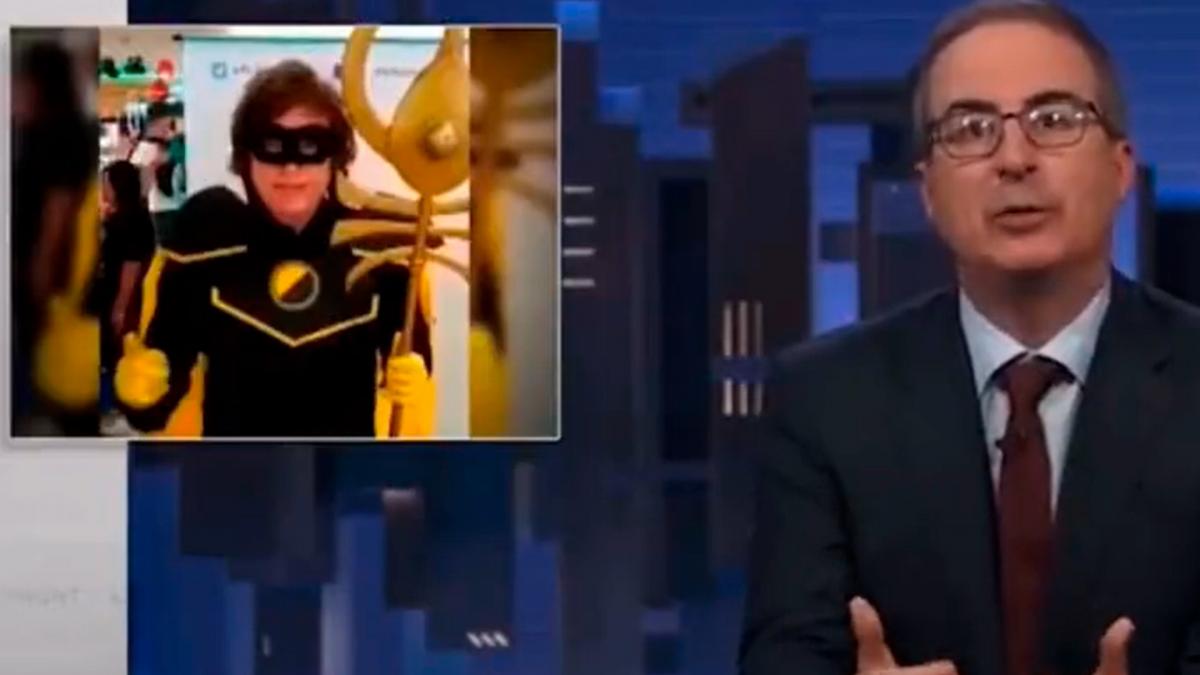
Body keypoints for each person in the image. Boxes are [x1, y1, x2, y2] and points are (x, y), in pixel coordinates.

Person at [740, 2, 1200, 674]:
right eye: (971, 129)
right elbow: (785, 656)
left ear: (1121, 167)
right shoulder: (825, 399)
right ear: (928, 190)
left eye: (1054, 120)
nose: (1013, 159)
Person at [114, 60, 435, 438]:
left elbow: (413, 359)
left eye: (311, 146)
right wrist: (141, 395)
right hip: (235, 469)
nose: (291, 169)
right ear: (246, 158)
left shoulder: (380, 253)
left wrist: (414, 378)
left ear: (334, 157)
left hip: (345, 468)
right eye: (272, 146)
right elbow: (157, 401)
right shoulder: (203, 246)